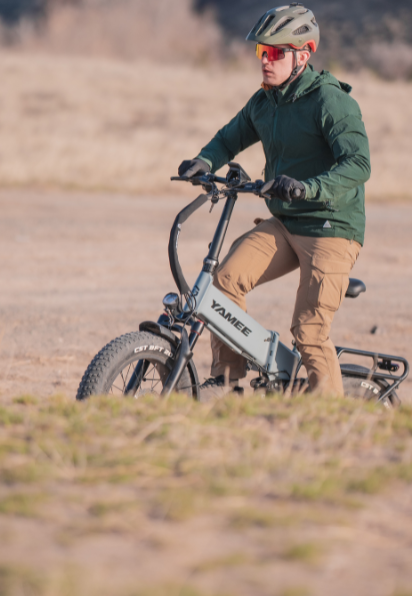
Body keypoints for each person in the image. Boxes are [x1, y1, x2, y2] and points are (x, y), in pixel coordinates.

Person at [177, 3, 370, 399]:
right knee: (224, 282)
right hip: (286, 222)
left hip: (331, 228)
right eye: (261, 51)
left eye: (276, 52)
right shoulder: (265, 102)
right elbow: (229, 138)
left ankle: (331, 421)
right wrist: (204, 161)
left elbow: (358, 164)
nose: (265, 60)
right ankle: (228, 384)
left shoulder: (330, 101)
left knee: (309, 331)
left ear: (304, 54)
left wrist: (307, 188)